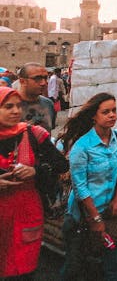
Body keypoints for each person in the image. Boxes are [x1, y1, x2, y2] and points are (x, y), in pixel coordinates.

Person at [59, 93, 117, 281]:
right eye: (105, 112)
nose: (112, 115)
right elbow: (80, 187)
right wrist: (95, 218)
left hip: (110, 211)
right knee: (74, 267)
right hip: (82, 215)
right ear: (94, 116)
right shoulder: (82, 147)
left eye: (114, 110)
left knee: (115, 268)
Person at [0, 87, 68, 280]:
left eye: (18, 106)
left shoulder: (33, 134)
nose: (15, 111)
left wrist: (36, 171)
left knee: (24, 269)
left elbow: (61, 165)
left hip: (26, 212)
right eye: (8, 106)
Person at [17, 63, 54, 131]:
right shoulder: (9, 105)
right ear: (22, 81)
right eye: (37, 78)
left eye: (46, 78)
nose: (44, 83)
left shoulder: (48, 104)